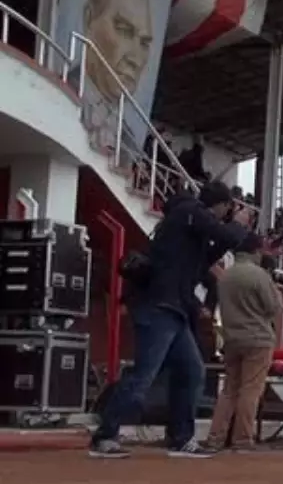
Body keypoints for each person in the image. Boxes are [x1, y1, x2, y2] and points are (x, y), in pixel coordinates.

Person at [90, 182, 248, 459]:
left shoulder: (185, 225)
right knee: (144, 375)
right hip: (160, 307)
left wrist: (231, 231)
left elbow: (203, 261)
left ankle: (180, 438)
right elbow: (226, 236)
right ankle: (105, 435)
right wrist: (238, 225)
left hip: (171, 308)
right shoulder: (191, 212)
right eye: (226, 208)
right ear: (221, 204)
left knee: (190, 371)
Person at [206, 232, 283, 451]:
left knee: (229, 389)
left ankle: (215, 437)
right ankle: (242, 439)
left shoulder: (226, 276)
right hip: (257, 338)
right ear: (256, 251)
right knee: (250, 390)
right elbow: (271, 308)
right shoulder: (259, 275)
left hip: (231, 337)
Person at [80, 0, 154, 153]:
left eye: (144, 43)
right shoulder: (57, 96)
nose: (136, 59)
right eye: (123, 30)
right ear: (89, 20)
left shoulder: (129, 142)